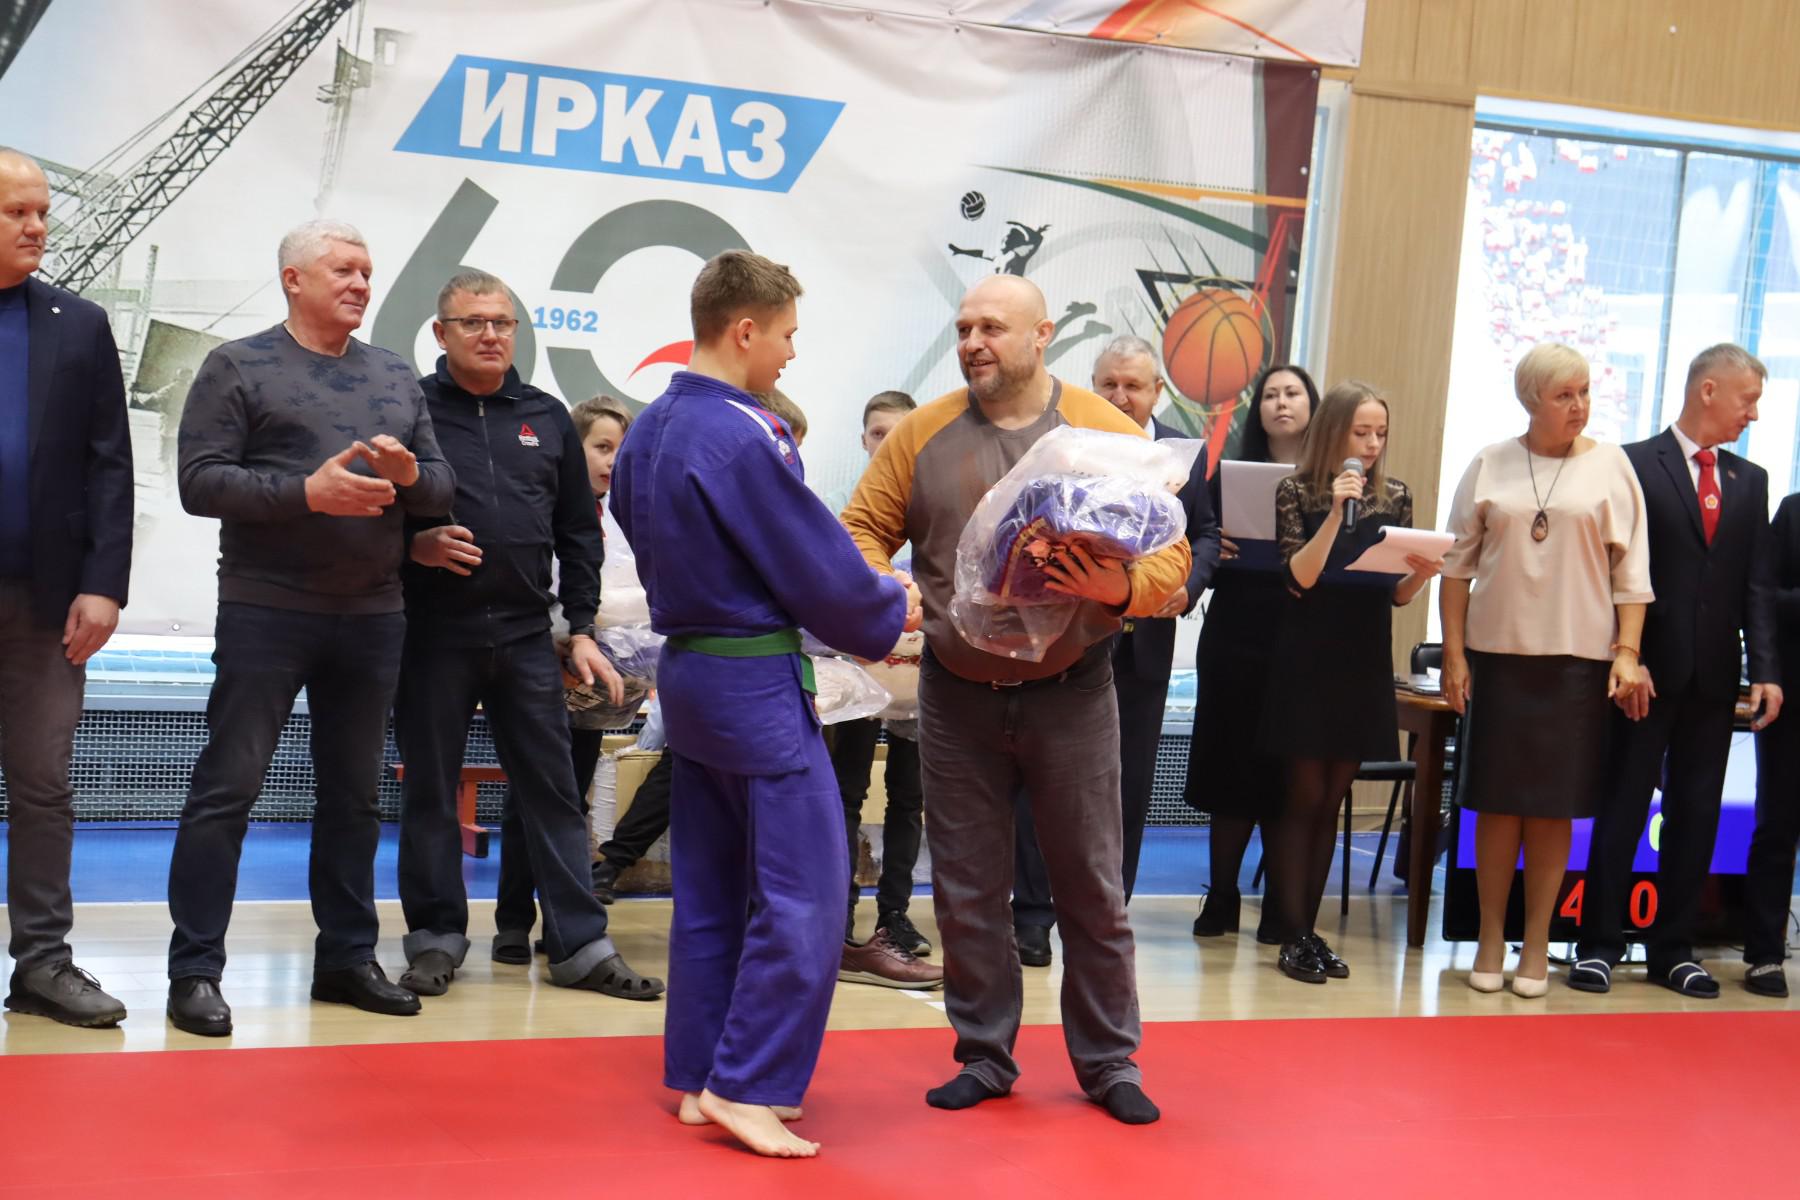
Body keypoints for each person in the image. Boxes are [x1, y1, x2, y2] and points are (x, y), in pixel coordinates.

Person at [843, 274, 1188, 1126]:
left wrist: (1119, 588)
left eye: (993, 327)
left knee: (1091, 889)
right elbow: (859, 530)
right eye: (964, 328)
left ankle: (1109, 1062)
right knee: (966, 890)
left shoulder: (1103, 430)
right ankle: (984, 1055)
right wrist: (886, 589)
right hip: (954, 695)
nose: (973, 343)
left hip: (1073, 691)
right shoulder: (922, 433)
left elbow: (1172, 557)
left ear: (1042, 336)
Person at [611, 250, 919, 1159]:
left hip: (692, 674)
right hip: (751, 684)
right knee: (808, 893)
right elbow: (809, 562)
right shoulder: (744, 434)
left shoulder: (648, 427)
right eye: (786, 335)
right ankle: (746, 1082)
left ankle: (701, 1075)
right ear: (745, 330)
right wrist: (886, 605)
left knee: (711, 886)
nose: (790, 352)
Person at [166, 219, 454, 1036]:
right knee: (228, 790)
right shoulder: (238, 365)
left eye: (366, 270)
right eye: (343, 270)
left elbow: (439, 487)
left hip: (373, 614)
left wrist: (411, 477)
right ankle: (195, 971)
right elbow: (199, 481)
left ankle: (346, 959)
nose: (361, 283)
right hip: (266, 609)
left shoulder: (394, 374)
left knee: (355, 798)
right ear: (294, 279)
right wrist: (306, 494)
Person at [393, 272, 660, 1001]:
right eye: (472, 322)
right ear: (441, 332)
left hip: (526, 637)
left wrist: (582, 628)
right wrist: (411, 548)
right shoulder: (410, 409)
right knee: (429, 794)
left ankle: (581, 946)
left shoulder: (543, 416)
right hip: (433, 635)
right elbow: (375, 513)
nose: (490, 334)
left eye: (502, 322)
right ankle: (436, 940)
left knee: (554, 795)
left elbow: (578, 532)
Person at [1440, 343, 1652, 997]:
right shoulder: (1489, 462)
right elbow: (1455, 568)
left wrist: (1627, 652)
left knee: (1552, 811)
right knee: (1496, 806)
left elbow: (1632, 574)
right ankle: (1490, 938)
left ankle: (1536, 944)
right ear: (1531, 401)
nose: (1579, 405)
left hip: (1576, 663)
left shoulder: (1610, 466)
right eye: (1564, 395)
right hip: (1497, 658)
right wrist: (1454, 654)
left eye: (1584, 392)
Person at [1572, 343, 1781, 998]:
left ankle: (1673, 949)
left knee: (1696, 815)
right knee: (1624, 806)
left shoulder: (1751, 480)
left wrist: (1765, 669)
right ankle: (1598, 944)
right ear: (1709, 390)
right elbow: (1608, 570)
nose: (1753, 414)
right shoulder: (1634, 463)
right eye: (1748, 399)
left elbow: (1757, 585)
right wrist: (1623, 653)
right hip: (1643, 672)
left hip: (1714, 679)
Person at [1010, 335, 1220, 963]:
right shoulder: (1068, 444)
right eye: (1109, 384)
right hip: (1069, 640)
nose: (1120, 396)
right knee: (1043, 784)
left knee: (1126, 791)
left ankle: (1107, 920)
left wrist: (1188, 584)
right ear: (1092, 385)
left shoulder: (1184, 454)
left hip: (1145, 650)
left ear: (1157, 391)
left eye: (1133, 385)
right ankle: (1031, 917)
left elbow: (1207, 534)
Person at [0, 148, 134, 1029]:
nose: (38, 226)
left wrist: (103, 585)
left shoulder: (77, 325)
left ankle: (43, 964)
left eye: (43, 211)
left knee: (44, 785)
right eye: (18, 211)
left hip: (43, 601)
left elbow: (109, 465)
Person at [1262, 381, 1438, 984]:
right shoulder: (1297, 491)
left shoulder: (1396, 496)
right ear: (1335, 432)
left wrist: (1423, 575)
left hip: (1363, 659)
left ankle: (1308, 933)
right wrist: (1337, 514)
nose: (1372, 443)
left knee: (1332, 800)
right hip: (1306, 658)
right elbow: (1300, 577)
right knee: (1302, 799)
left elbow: (1396, 594)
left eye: (1380, 433)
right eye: (1361, 432)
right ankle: (1291, 933)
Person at [493, 394, 636, 956]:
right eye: (601, 447)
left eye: (620, 450)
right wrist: (566, 630)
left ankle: (562, 926)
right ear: (570, 449)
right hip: (536, 668)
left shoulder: (617, 519)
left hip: (592, 680)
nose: (611, 461)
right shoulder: (542, 505)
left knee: (571, 800)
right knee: (528, 796)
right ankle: (511, 921)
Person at [1188, 363, 1318, 941]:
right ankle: (1222, 895)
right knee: (1230, 768)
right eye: (1270, 395)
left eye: (1292, 393)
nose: (1281, 403)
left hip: (1301, 639)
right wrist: (1214, 551)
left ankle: (1280, 906)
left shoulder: (1331, 483)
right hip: (1236, 636)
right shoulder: (1227, 476)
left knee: (1285, 774)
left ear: (1313, 405)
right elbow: (1199, 554)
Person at [833, 390, 943, 989]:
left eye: (901, 433)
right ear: (863, 440)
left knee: (908, 797)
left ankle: (894, 915)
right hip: (857, 676)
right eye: (879, 434)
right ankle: (839, 914)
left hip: (922, 680)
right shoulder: (849, 516)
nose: (888, 444)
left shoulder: (936, 516)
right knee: (846, 794)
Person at [1744, 489, 1800, 997]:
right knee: (1777, 826)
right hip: (1792, 700)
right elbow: (1762, 598)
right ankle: (1764, 954)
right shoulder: (1795, 511)